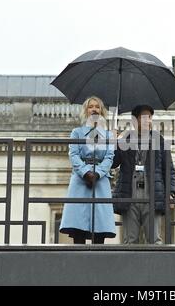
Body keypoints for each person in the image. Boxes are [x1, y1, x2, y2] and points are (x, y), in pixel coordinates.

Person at [112, 104, 175, 244]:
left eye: (150, 117)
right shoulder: (125, 139)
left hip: (152, 193)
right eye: (144, 117)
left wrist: (171, 192)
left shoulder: (159, 140)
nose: (148, 121)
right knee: (130, 240)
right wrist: (114, 143)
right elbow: (113, 163)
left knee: (154, 240)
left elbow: (169, 168)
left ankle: (155, 266)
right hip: (130, 192)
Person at [59, 96, 116, 244]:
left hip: (100, 180)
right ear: (86, 110)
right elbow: (74, 155)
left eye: (97, 106)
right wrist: (86, 172)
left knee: (100, 228)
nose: (94, 109)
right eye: (91, 106)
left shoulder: (109, 135)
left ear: (101, 111)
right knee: (78, 227)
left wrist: (98, 173)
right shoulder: (76, 132)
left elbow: (109, 157)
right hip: (80, 179)